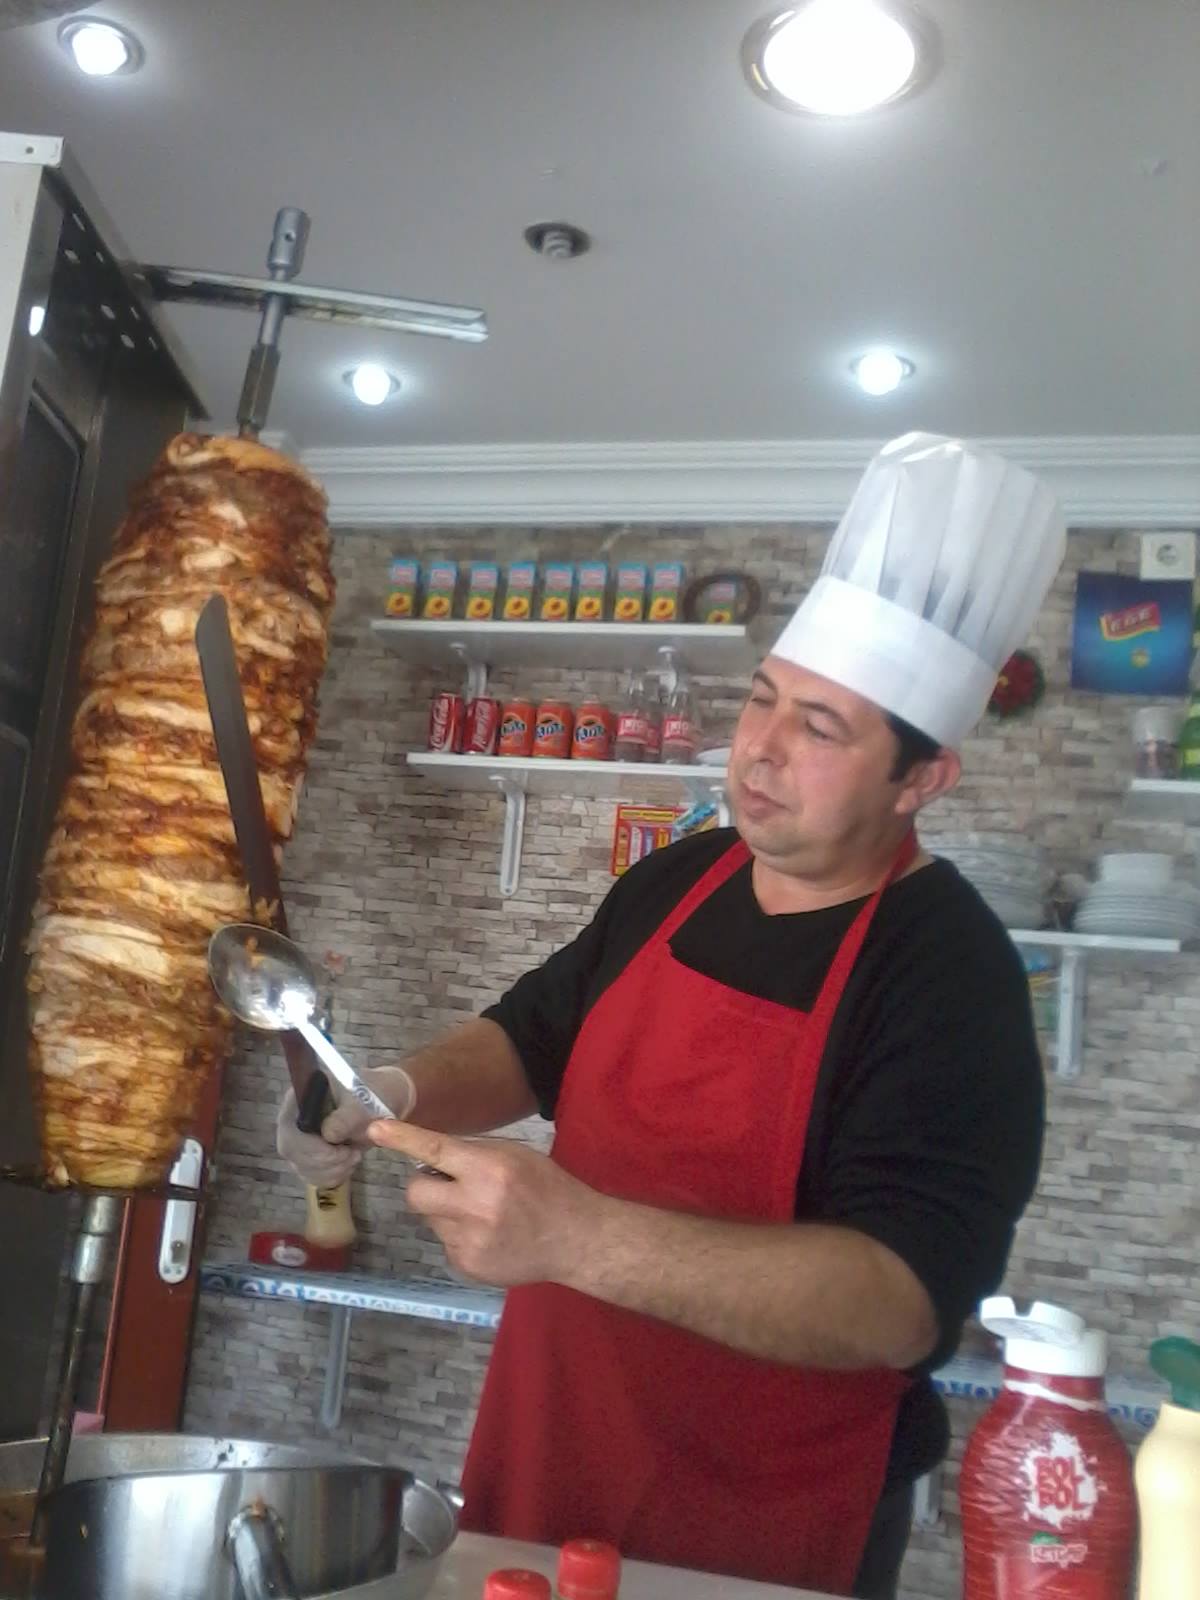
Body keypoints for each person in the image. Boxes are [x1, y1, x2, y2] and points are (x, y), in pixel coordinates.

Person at [278, 433, 1067, 1599]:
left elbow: (900, 1301)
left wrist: (578, 1238)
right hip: (554, 1440)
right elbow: (530, 1036)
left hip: (770, 1511)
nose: (760, 750)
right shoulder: (679, 877)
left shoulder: (951, 975)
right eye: (763, 700)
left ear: (921, 780)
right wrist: (385, 1088)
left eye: (822, 728)